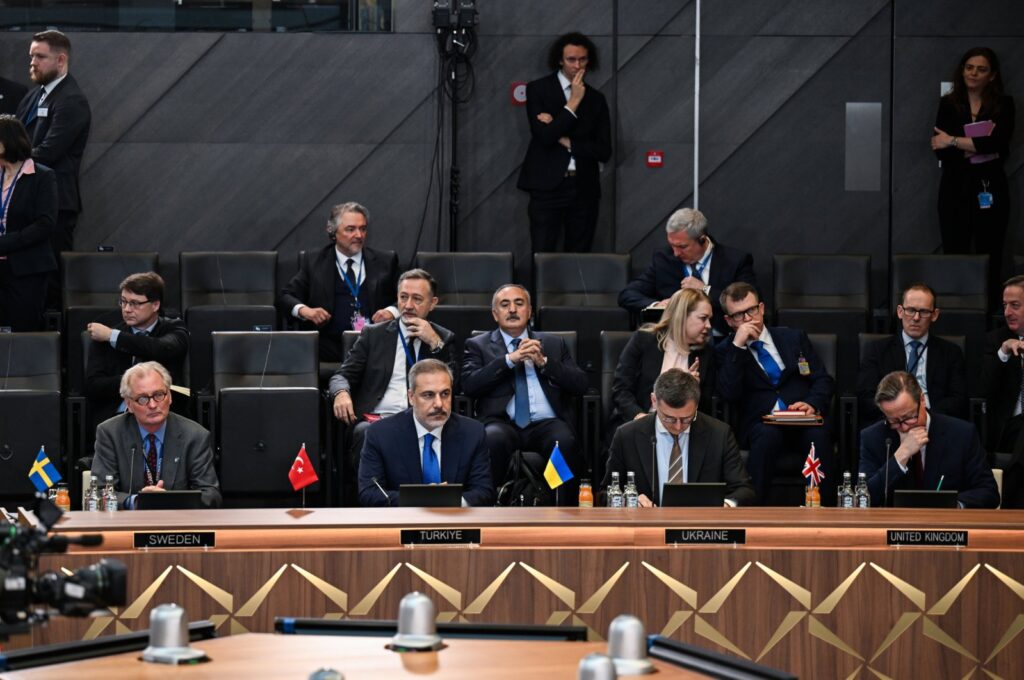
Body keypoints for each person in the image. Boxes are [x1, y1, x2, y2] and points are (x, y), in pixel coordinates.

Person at [328, 269, 457, 502]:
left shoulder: (443, 338)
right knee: (364, 432)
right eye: (403, 297)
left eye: (417, 299)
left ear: (432, 303)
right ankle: (371, 506)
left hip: (426, 420)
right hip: (381, 419)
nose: (408, 305)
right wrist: (341, 392)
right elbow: (341, 375)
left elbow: (457, 383)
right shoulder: (374, 335)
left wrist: (435, 343)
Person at [462, 284, 589, 500]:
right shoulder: (477, 345)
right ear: (495, 314)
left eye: (519, 303)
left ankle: (560, 505)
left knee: (563, 440)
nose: (512, 309)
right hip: (501, 422)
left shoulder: (552, 343)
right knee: (492, 439)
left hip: (546, 424)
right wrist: (509, 360)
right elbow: (470, 385)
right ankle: (488, 504)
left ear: (529, 311)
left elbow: (580, 384)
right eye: (505, 304)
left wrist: (544, 363)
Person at [715, 282, 835, 504]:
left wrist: (811, 403)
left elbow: (822, 379)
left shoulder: (793, 338)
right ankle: (754, 511)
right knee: (768, 436)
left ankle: (824, 509)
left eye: (751, 310)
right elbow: (728, 393)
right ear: (729, 321)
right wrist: (738, 346)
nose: (748, 319)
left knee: (818, 436)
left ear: (761, 308)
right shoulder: (725, 351)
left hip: (802, 419)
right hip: (762, 423)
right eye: (739, 315)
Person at [931, 47, 1015, 305]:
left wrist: (953, 141)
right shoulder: (948, 103)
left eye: (981, 69)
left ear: (992, 75)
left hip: (990, 187)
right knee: (954, 250)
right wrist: (976, 145)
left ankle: (989, 313)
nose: (974, 73)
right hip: (954, 187)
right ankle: (956, 310)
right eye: (969, 67)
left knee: (991, 252)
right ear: (962, 70)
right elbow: (940, 151)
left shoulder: (1004, 104)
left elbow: (999, 145)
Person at [602, 369, 755, 507]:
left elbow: (743, 490)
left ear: (696, 405)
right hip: (646, 528)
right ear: (654, 401)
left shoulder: (719, 434)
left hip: (701, 529)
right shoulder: (627, 435)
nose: (678, 426)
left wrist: (724, 506)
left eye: (687, 418)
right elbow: (604, 493)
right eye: (669, 418)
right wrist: (628, 502)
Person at [15, 30, 91, 306]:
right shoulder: (33, 96)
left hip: (56, 205)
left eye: (40, 56)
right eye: (31, 56)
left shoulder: (72, 100)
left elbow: (49, 152)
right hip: (28, 203)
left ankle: (55, 342)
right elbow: (15, 137)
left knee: (52, 280)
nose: (32, 62)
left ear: (60, 60)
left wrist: (7, 157)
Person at [517, 32, 611, 253]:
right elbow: (544, 137)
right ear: (560, 60)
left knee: (579, 253)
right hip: (546, 185)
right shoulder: (538, 89)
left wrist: (565, 139)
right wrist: (574, 102)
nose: (577, 65)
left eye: (583, 59)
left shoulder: (597, 99)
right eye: (571, 59)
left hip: (584, 186)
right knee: (542, 251)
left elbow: (604, 150)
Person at [358, 359, 493, 507]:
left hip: (456, 522)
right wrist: (426, 500)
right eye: (428, 395)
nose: (439, 404)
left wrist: (450, 501)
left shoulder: (473, 433)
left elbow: (483, 492)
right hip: (403, 524)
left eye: (445, 394)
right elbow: (369, 493)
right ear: (411, 397)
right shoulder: (380, 434)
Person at [277, 202, 399, 362]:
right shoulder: (314, 261)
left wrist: (391, 311)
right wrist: (305, 311)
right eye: (351, 229)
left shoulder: (385, 261)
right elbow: (285, 297)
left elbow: (409, 299)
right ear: (333, 231)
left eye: (363, 229)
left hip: (374, 344)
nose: (359, 235)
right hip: (327, 346)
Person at [92, 362, 221, 509]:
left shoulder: (195, 435)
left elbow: (211, 494)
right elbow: (100, 492)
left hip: (179, 523)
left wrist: (167, 501)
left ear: (170, 397)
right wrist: (136, 501)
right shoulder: (110, 433)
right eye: (142, 399)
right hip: (128, 523)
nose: (153, 405)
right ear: (129, 404)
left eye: (159, 395)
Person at [859, 371, 998, 509]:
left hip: (948, 526)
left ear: (922, 400)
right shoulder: (873, 438)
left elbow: (988, 492)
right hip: (894, 526)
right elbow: (864, 499)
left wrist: (953, 505)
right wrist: (901, 456)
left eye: (909, 417)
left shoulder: (961, 434)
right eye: (894, 421)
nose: (904, 427)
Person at [618, 208, 756, 336]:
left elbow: (750, 300)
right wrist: (657, 306)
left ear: (702, 240)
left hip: (721, 341)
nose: (676, 253)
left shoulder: (735, 260)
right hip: (673, 341)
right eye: (672, 245)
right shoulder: (664, 258)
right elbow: (628, 295)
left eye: (682, 247)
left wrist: (705, 290)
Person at [84, 272, 189, 424]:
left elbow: (161, 348)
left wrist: (113, 337)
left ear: (155, 305)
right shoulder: (105, 337)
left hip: (165, 416)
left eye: (134, 303)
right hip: (118, 417)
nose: (126, 309)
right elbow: (93, 386)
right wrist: (136, 385)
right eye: (123, 302)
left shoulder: (174, 329)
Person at [856, 283, 967, 427]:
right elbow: (866, 396)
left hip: (934, 423)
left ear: (934, 315)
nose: (916, 317)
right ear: (900, 311)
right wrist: (898, 417)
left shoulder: (951, 352)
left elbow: (958, 399)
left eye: (924, 312)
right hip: (892, 423)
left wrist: (924, 417)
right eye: (911, 310)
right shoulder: (877, 350)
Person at [611, 288, 716, 431]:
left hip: (683, 429)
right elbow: (621, 389)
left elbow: (707, 409)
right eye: (703, 318)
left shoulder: (705, 353)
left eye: (710, 319)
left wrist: (693, 391)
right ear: (681, 316)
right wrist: (639, 417)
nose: (709, 326)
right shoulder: (644, 340)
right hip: (639, 424)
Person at [0, 114, 57, 331]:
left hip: (26, 269)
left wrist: (4, 243)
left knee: (22, 331)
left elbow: (45, 224)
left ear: (8, 142)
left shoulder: (42, 176)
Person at [982, 275, 1024, 507]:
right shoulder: (996, 340)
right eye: (1005, 305)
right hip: (1009, 427)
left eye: (1015, 305)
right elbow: (983, 390)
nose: (1007, 312)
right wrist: (1004, 354)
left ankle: (1007, 498)